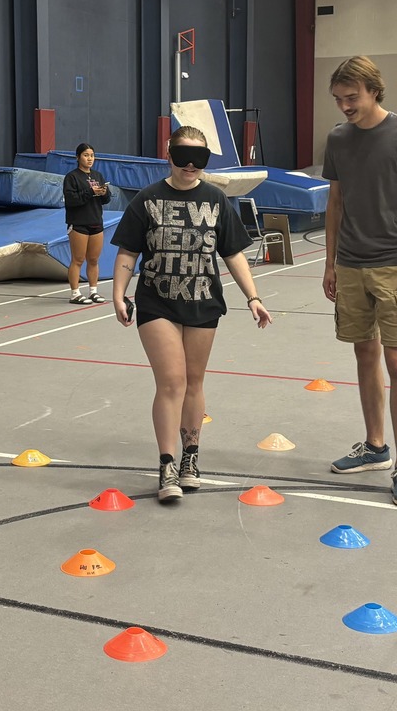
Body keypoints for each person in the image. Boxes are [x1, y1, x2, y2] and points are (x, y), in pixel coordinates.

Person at [111, 125, 273, 502]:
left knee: (194, 382)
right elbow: (127, 253)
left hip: (202, 300)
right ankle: (167, 464)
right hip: (157, 301)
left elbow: (232, 253)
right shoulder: (148, 200)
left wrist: (253, 297)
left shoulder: (216, 201)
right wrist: (119, 295)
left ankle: (190, 458)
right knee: (172, 381)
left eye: (198, 159)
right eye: (183, 156)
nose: (190, 165)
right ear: (169, 155)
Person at [321, 55, 397, 508]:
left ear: (373, 90)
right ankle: (375, 446)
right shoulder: (338, 139)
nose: (344, 107)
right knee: (363, 353)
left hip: (393, 265)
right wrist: (330, 263)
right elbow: (335, 203)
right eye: (338, 100)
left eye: (351, 98)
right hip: (350, 264)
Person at [62, 142, 112, 303]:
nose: (89, 158)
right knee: (78, 259)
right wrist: (90, 192)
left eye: (91, 155)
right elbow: (71, 200)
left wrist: (104, 193)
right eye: (86, 155)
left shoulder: (97, 176)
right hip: (79, 223)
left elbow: (106, 199)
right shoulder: (72, 177)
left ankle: (93, 291)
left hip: (96, 221)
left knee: (93, 259)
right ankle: (75, 293)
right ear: (78, 157)